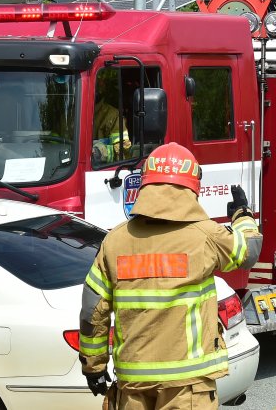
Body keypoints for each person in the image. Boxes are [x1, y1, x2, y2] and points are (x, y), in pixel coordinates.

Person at [78, 143, 262, 409]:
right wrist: (242, 215)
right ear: (190, 187)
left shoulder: (115, 241)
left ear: (146, 184)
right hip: (188, 386)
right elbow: (249, 251)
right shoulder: (206, 236)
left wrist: (93, 366)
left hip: (133, 384)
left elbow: (92, 309)